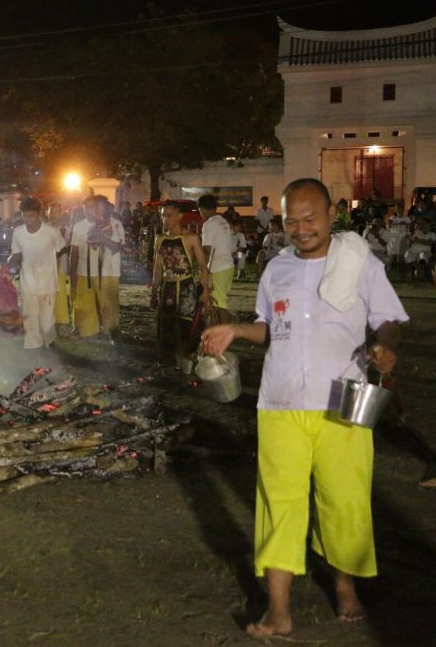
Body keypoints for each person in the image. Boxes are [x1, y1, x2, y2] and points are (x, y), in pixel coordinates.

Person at [201, 178, 407, 637]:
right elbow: (270, 329)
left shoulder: (359, 262)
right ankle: (279, 608)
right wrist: (235, 330)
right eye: (291, 220)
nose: (300, 228)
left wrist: (385, 347)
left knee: (343, 499)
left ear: (332, 213)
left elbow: (389, 318)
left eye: (309, 218)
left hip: (343, 402)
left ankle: (345, 585)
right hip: (280, 403)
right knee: (279, 503)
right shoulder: (277, 268)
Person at [150, 200, 211, 370]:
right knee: (166, 328)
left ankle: (187, 363)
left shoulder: (190, 238)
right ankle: (169, 365)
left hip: (186, 288)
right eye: (163, 216)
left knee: (187, 328)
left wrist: (205, 290)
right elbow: (157, 268)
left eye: (169, 215)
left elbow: (202, 267)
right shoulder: (160, 239)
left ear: (180, 216)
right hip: (167, 289)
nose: (165, 219)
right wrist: (154, 293)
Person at [9, 197, 66, 353]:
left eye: (32, 216)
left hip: (48, 282)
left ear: (40, 213)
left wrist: (51, 265)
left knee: (47, 322)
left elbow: (61, 248)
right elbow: (16, 254)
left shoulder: (52, 232)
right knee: (30, 320)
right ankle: (35, 349)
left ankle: (49, 340)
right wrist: (7, 267)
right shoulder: (18, 232)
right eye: (25, 216)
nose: (28, 220)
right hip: (28, 283)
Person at [70, 195, 125, 338]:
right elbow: (74, 251)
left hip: (107, 271)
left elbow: (118, 247)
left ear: (100, 207)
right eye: (85, 208)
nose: (89, 211)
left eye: (92, 207)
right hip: (84, 271)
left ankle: (111, 330)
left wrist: (103, 239)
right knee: (84, 304)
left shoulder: (115, 224)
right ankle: (87, 330)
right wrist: (73, 273)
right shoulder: (79, 226)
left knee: (108, 305)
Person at [198, 194, 235, 323]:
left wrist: (203, 269)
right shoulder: (224, 221)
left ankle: (224, 334)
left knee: (220, 305)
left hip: (217, 267)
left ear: (203, 208)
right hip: (228, 265)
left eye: (200, 210)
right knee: (214, 303)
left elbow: (206, 250)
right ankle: (215, 331)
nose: (200, 214)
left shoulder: (209, 224)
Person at [46, 202, 73, 334]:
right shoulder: (43, 228)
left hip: (60, 267)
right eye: (52, 211)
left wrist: (62, 237)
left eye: (58, 211)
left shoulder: (66, 229)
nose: (54, 214)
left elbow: (66, 247)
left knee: (60, 295)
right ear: (48, 213)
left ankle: (57, 323)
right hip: (45, 268)